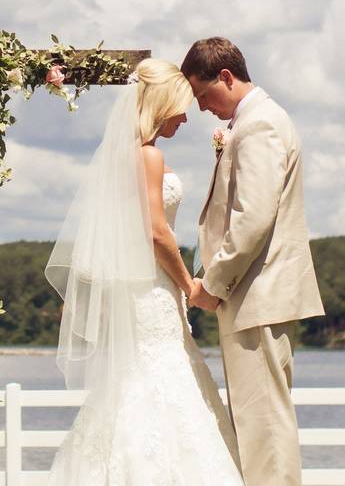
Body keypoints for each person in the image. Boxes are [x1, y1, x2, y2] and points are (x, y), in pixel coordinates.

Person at [45, 59, 243, 484]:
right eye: (181, 107)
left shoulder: (120, 158)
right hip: (154, 287)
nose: (187, 117)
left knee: (137, 378)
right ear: (160, 103)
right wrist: (189, 282)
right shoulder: (149, 156)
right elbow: (156, 232)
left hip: (138, 288)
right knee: (162, 375)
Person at [182, 37, 325, 486]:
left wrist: (212, 283)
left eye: (203, 95)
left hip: (257, 293)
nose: (202, 108)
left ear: (226, 77)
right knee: (258, 420)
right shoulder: (257, 121)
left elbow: (253, 218)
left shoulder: (260, 125)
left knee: (263, 423)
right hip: (256, 295)